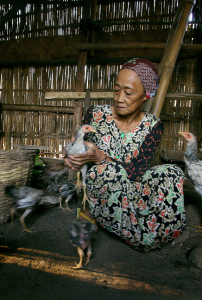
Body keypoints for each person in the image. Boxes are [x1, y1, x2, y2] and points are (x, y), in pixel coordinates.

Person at [63, 58, 186, 252]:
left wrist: (102, 157)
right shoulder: (95, 114)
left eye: (128, 93)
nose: (120, 98)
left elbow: (139, 170)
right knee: (105, 172)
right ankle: (109, 220)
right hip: (103, 186)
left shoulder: (153, 125)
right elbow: (83, 149)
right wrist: (73, 154)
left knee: (172, 173)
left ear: (146, 95)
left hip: (133, 185)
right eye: (116, 90)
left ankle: (146, 223)